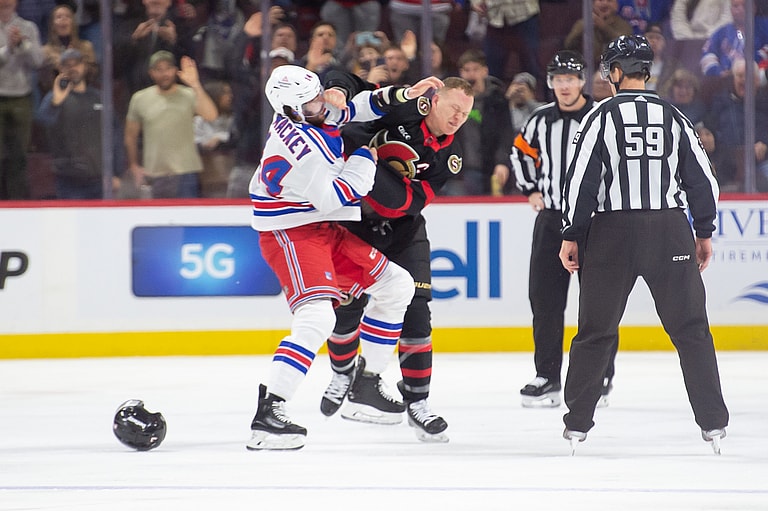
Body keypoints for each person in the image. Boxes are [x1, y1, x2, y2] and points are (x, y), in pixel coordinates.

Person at [245, 65, 443, 450]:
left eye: (318, 95)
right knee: (317, 317)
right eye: (311, 101)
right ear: (290, 110)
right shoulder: (305, 151)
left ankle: (366, 381)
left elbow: (356, 108)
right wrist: (366, 157)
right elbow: (339, 196)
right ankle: (269, 412)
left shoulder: (305, 109)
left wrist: (406, 94)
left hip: (317, 224)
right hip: (291, 233)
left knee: (397, 284)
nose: (322, 104)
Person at [559, 35, 729, 454]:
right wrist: (703, 231)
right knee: (691, 330)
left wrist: (571, 233)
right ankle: (713, 425)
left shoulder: (598, 117)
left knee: (595, 332)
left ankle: (577, 425)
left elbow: (581, 182)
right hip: (669, 230)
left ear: (615, 72)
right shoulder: (675, 115)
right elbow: (703, 181)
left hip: (611, 234)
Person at [319, 75, 475, 443]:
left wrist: (365, 164)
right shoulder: (405, 100)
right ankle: (345, 373)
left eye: (466, 114)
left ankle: (417, 404)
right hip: (354, 225)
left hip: (405, 233)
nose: (458, 118)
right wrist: (340, 91)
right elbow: (351, 81)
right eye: (454, 108)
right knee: (345, 309)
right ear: (434, 100)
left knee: (418, 310)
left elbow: (407, 204)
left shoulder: (449, 156)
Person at [510, 50, 616, 408]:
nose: (565, 86)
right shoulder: (540, 120)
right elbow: (519, 153)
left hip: (596, 222)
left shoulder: (602, 116)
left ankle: (598, 375)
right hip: (553, 219)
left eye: (571, 79)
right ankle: (547, 375)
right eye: (558, 79)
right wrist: (531, 189)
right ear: (551, 83)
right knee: (544, 299)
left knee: (598, 302)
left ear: (583, 81)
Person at [124, 51, 217, 198]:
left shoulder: (189, 94)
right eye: (158, 69)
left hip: (185, 172)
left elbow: (211, 115)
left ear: (175, 70)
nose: (164, 73)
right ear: (151, 73)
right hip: (154, 173)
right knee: (156, 220)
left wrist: (195, 84)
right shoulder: (140, 98)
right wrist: (134, 165)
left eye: (168, 68)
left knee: (187, 219)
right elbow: (130, 135)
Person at [37, 48, 103, 199]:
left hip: (99, 178)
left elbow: (114, 133)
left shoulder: (98, 97)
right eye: (67, 65)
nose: (73, 68)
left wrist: (115, 171)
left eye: (76, 64)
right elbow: (43, 123)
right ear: (60, 69)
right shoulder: (54, 98)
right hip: (69, 180)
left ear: (84, 66)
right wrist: (55, 102)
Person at [450, 48, 513, 196]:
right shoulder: (453, 102)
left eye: (475, 69)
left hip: (490, 169)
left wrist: (502, 162)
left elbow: (505, 134)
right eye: (466, 70)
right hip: (462, 171)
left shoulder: (497, 100)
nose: (471, 74)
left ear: (485, 71)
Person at [0, 0, 44, 200]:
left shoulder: (28, 27)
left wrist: (22, 44)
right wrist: (8, 48)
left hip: (21, 98)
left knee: (19, 155)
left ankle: (18, 203)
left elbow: (38, 61)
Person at [470, 0, 542, 86]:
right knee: (491, 71)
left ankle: (534, 97)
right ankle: (492, 97)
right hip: (494, 18)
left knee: (531, 68)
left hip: (524, 15)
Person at [39, 3, 97, 95]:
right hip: (56, 94)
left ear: (73, 22)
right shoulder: (45, 51)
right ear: (52, 25)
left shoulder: (86, 47)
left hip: (83, 94)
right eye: (59, 17)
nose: (63, 19)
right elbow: (44, 83)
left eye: (67, 16)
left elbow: (93, 75)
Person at [700, 0, 768, 77]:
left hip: (756, 79)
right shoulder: (722, 32)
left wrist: (754, 61)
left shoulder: (764, 26)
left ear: (754, 8)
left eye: (745, 6)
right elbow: (707, 55)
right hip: (725, 82)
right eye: (735, 6)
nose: (740, 10)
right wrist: (718, 72)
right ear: (731, 10)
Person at [564, 0, 633, 68]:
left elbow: (624, 46)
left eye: (609, 1)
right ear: (593, 4)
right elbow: (568, 45)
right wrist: (584, 27)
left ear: (616, 6)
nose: (604, 3)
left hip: (614, 68)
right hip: (586, 68)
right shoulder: (583, 23)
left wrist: (603, 26)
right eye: (600, 0)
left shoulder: (624, 25)